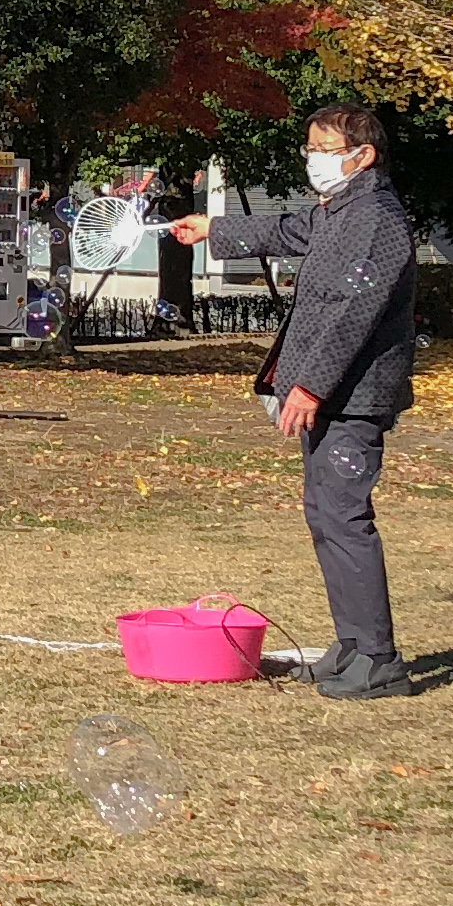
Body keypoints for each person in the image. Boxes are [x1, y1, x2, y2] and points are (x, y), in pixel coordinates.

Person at [169, 105, 419, 702]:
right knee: (325, 515)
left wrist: (311, 386)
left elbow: (353, 313)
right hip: (328, 392)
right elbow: (287, 231)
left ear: (364, 155)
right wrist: (213, 229)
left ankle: (379, 660)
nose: (315, 159)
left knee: (345, 518)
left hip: (351, 394)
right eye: (310, 147)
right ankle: (352, 645)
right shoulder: (341, 212)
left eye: (326, 147)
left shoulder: (377, 221)